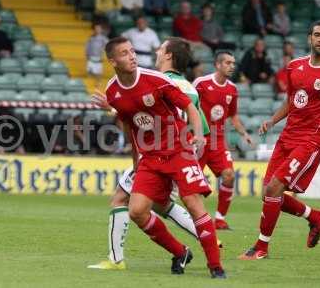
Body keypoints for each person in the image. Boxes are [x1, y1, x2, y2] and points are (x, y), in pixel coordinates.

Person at [95, 36, 226, 277]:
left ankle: (216, 267)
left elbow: (188, 106)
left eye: (133, 51)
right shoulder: (112, 91)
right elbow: (129, 125)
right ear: (112, 61)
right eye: (125, 53)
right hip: (150, 159)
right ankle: (180, 251)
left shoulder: (156, 80)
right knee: (136, 210)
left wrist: (197, 135)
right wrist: (136, 163)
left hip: (178, 150)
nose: (132, 56)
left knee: (193, 204)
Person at [239, 20, 320, 260]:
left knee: (274, 188)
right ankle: (315, 217)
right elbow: (292, 101)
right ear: (310, 38)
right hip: (287, 136)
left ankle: (261, 248)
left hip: (311, 140)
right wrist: (272, 121)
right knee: (268, 193)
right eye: (318, 35)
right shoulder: (294, 66)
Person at [193, 51, 253, 230]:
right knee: (192, 184)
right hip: (199, 139)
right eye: (228, 63)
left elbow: (233, 115)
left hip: (218, 141)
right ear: (218, 65)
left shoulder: (232, 89)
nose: (232, 66)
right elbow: (188, 106)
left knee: (229, 175)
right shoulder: (201, 83)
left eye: (233, 63)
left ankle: (219, 219)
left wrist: (244, 133)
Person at [86, 23, 109, 89]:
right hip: (90, 58)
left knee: (98, 73)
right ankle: (90, 87)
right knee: (89, 73)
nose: (97, 30)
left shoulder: (103, 39)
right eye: (96, 29)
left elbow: (108, 46)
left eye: (98, 29)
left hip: (99, 59)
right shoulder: (91, 38)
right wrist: (87, 54)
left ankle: (98, 86)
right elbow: (87, 47)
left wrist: (104, 55)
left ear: (101, 30)